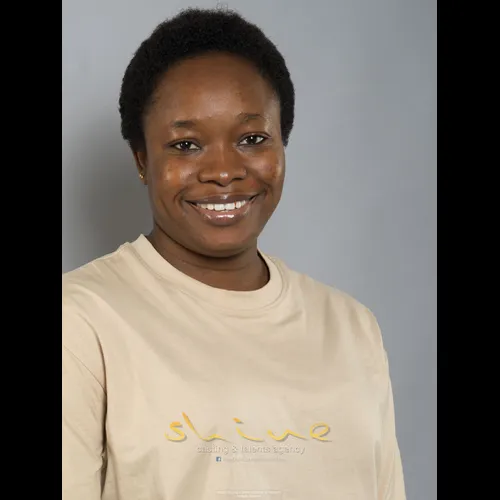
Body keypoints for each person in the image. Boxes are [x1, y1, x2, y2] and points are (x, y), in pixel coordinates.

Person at [62, 7, 406, 500]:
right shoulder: (81, 323)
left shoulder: (352, 327)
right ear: (142, 159)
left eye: (252, 139)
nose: (224, 171)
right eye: (186, 144)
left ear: (282, 145)